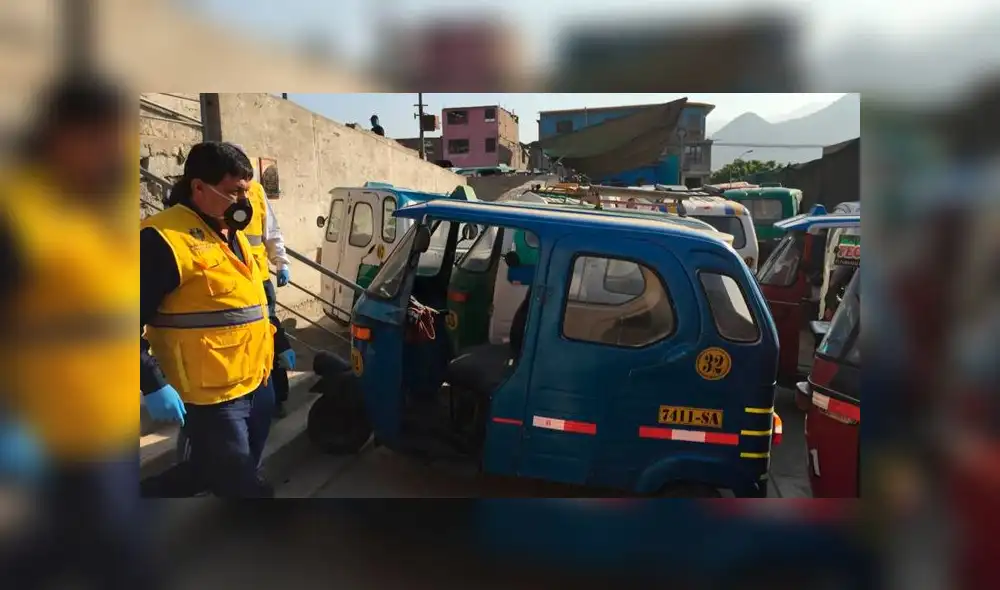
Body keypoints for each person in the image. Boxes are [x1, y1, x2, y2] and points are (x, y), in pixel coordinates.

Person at [0, 75, 157, 589]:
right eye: (103, 137)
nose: (114, 150)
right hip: (52, 427)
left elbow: (108, 315)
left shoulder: (96, 208)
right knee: (119, 555)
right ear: (63, 136)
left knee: (61, 544)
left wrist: (150, 379)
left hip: (105, 419)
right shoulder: (18, 212)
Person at [140, 141, 276, 498]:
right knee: (239, 482)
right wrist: (152, 382)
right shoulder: (162, 239)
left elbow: (250, 300)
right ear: (198, 187)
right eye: (234, 192)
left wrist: (283, 341)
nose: (244, 202)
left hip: (257, 379)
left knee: (211, 469)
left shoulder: (231, 233)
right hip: (213, 395)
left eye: (246, 191)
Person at [234, 146, 295, 418]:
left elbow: (271, 232)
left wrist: (281, 263)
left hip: (258, 279)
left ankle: (277, 397)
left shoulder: (256, 192)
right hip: (230, 282)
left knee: (269, 337)